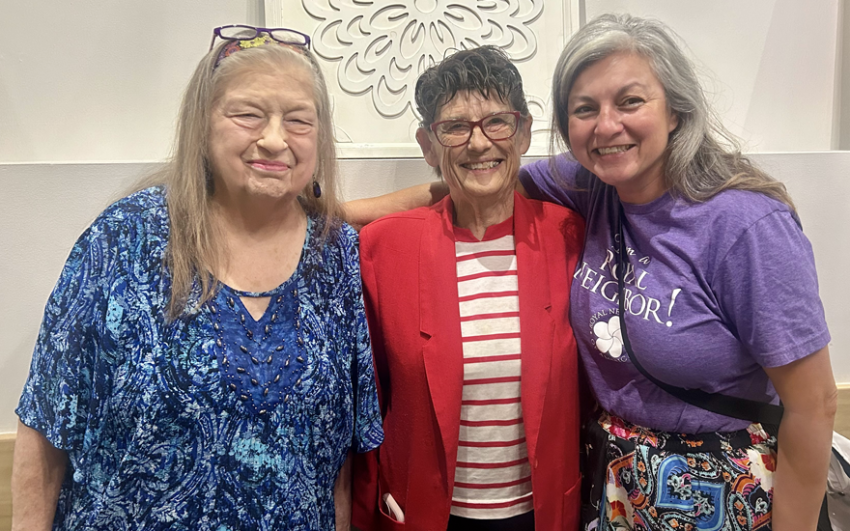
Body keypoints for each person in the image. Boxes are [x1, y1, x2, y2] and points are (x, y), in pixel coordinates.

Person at [346, 14, 838, 531]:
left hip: (725, 489)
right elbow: (469, 179)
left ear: (675, 109)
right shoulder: (593, 189)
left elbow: (816, 403)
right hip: (614, 489)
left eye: (630, 101)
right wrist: (331, 209)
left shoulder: (744, 223)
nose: (607, 126)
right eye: (586, 109)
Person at [11, 25, 383, 531]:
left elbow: (339, 460)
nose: (274, 139)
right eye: (248, 114)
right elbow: (44, 432)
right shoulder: (124, 240)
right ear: (202, 128)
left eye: (298, 121)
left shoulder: (336, 255)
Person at [350, 46, 585, 531]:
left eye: (497, 122)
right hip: (425, 513)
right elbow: (366, 400)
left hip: (541, 512)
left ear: (523, 132)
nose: (478, 143)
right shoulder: (384, 248)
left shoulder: (570, 237)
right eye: (455, 127)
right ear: (428, 145)